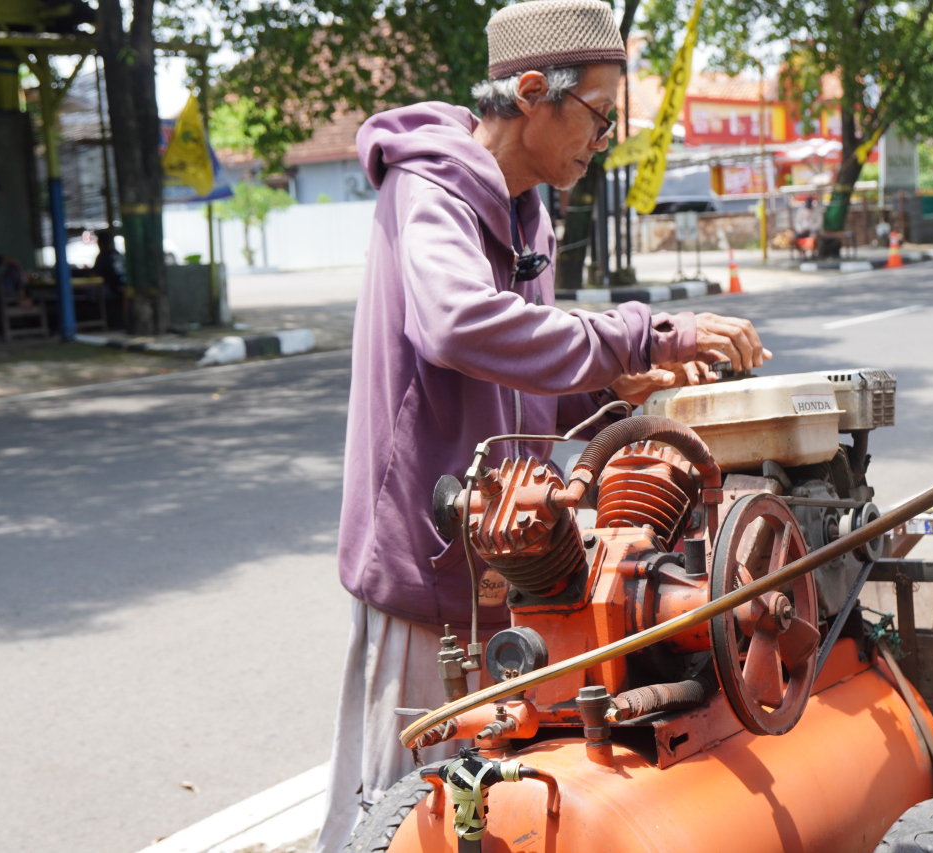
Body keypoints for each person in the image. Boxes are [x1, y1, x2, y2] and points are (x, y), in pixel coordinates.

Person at [315, 2, 772, 850]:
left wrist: (619, 384)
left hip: (507, 551)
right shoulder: (431, 189)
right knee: (388, 812)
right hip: (426, 556)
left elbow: (523, 389)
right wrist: (642, 331)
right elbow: (458, 325)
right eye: (598, 116)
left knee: (479, 806)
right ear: (533, 92)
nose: (603, 140)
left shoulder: (529, 213)